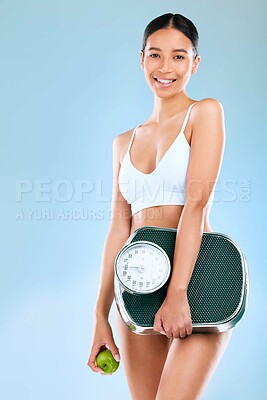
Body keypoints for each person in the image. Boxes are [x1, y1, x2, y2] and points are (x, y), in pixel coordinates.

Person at [87, 12, 233, 400]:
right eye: (155, 55)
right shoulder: (123, 142)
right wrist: (100, 315)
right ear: (141, 59)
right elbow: (118, 229)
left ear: (195, 63)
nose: (165, 68)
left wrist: (178, 292)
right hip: (137, 286)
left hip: (198, 280)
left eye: (179, 56)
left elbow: (196, 205)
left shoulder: (204, 113)